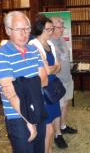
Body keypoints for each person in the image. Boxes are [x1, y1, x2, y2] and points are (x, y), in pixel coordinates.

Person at [0, 11, 48, 153]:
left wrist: (21, 84)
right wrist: (29, 121)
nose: (24, 33)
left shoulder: (33, 50)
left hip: (39, 110)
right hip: (17, 117)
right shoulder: (0, 54)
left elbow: (44, 80)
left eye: (27, 29)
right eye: (19, 29)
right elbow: (10, 94)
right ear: (8, 30)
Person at [29, 14, 68, 152]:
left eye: (51, 29)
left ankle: (49, 150)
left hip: (52, 89)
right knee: (47, 128)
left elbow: (58, 67)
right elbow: (44, 72)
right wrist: (51, 69)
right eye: (47, 29)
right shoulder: (33, 45)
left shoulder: (50, 44)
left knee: (50, 127)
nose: (50, 32)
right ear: (40, 29)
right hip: (42, 90)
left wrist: (51, 68)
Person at [50, 16, 77, 135]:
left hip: (67, 78)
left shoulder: (62, 40)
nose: (62, 30)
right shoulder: (49, 42)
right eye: (59, 27)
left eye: (62, 27)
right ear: (52, 28)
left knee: (66, 104)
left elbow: (66, 59)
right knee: (58, 108)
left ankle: (63, 126)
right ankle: (57, 134)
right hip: (57, 81)